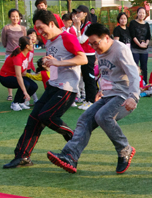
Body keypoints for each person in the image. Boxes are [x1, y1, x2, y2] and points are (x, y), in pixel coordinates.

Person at [47, 23, 139, 174]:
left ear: (107, 38)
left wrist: (133, 97)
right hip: (108, 95)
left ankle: (124, 149)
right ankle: (70, 156)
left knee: (103, 116)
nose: (94, 47)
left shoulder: (120, 49)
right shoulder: (100, 50)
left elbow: (134, 74)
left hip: (124, 95)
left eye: (96, 43)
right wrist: (101, 90)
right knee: (84, 119)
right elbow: (106, 72)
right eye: (91, 44)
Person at [3, 10, 87, 169]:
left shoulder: (67, 37)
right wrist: (47, 63)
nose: (39, 33)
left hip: (67, 88)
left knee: (46, 116)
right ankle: (22, 156)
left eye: (41, 28)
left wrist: (57, 63)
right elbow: (55, 61)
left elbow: (83, 59)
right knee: (33, 119)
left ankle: (74, 137)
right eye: (37, 29)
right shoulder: (48, 41)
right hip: (53, 85)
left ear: (51, 24)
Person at [0, 36, 38, 111]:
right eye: (31, 44)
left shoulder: (27, 53)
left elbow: (23, 72)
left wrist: (35, 75)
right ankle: (15, 103)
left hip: (15, 76)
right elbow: (18, 76)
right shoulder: (18, 56)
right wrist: (25, 92)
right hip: (5, 77)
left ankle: (21, 102)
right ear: (27, 46)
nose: (33, 45)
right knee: (26, 84)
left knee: (34, 86)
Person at [74, 5, 97, 110]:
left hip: (89, 55)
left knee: (90, 79)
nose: (77, 14)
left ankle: (91, 101)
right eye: (76, 12)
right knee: (86, 79)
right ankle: (87, 100)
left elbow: (81, 40)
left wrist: (77, 27)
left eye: (79, 12)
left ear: (85, 14)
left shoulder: (88, 25)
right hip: (84, 55)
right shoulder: (83, 25)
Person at [2, 9, 26, 102]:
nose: (15, 18)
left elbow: (25, 41)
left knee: (21, 74)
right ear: (9, 17)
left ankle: (22, 93)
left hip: (20, 55)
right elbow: (4, 41)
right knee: (9, 74)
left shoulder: (23, 28)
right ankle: (10, 94)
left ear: (19, 17)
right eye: (13, 16)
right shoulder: (6, 28)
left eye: (16, 16)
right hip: (10, 54)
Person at [129, 7, 152, 85]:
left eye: (143, 13)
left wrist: (146, 44)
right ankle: (135, 83)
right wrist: (139, 44)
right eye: (140, 12)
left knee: (144, 68)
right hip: (135, 49)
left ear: (145, 14)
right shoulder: (133, 23)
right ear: (137, 13)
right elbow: (133, 35)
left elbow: (148, 36)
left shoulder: (146, 24)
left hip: (144, 49)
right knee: (135, 67)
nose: (141, 14)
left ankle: (144, 83)